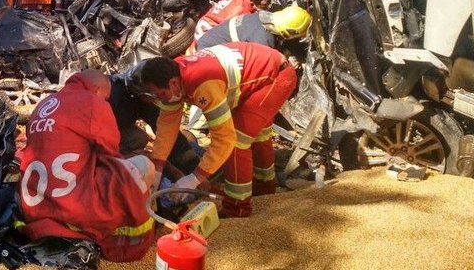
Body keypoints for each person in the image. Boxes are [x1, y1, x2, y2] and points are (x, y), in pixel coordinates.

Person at [132, 42, 298, 218]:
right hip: (261, 74)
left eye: (159, 95)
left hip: (276, 77)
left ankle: (237, 209)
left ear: (173, 83)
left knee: (237, 141)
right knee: (257, 135)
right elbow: (166, 127)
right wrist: (157, 167)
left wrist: (194, 178)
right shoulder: (173, 76)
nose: (158, 100)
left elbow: (225, 139)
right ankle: (264, 188)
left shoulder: (202, 84)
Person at [18, 70, 155, 262]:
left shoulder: (45, 103)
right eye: (106, 98)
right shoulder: (92, 102)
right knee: (142, 165)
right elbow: (110, 153)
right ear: (98, 89)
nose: (106, 102)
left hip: (35, 205)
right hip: (75, 206)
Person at [108, 72, 200, 176]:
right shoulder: (112, 100)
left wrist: (190, 164)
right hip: (99, 139)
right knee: (137, 147)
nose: (156, 101)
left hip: (117, 125)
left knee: (139, 138)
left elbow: (164, 129)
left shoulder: (140, 90)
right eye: (156, 97)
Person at [196, 4, 312, 50]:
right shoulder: (263, 41)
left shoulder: (261, 17)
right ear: (289, 32)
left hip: (209, 40)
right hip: (208, 52)